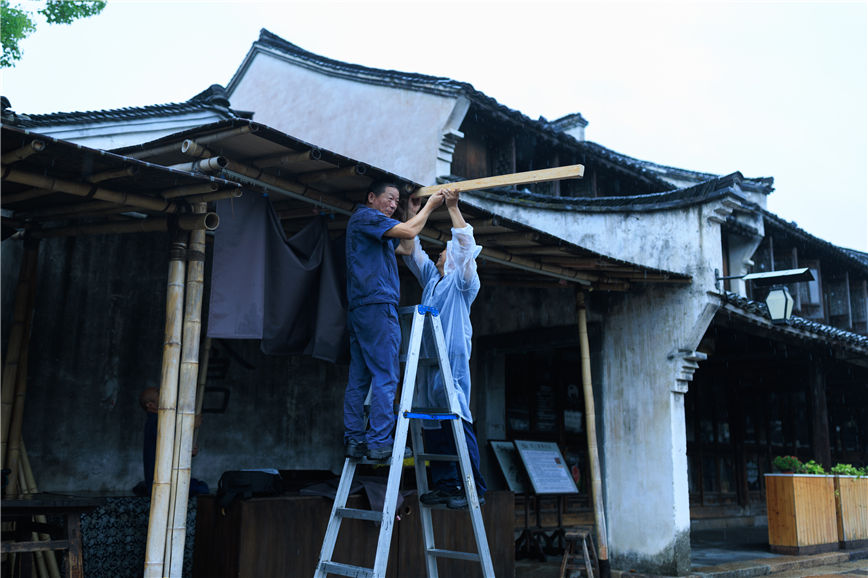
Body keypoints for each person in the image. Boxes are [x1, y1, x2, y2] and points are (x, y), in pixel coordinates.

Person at [343, 180, 445, 462]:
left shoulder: (374, 230)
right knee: (386, 376)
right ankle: (379, 443)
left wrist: (412, 213)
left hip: (363, 308)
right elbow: (410, 232)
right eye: (389, 199)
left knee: (360, 377)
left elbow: (408, 248)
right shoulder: (367, 217)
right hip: (376, 306)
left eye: (396, 201)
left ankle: (354, 439)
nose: (392, 205)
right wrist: (431, 206)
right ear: (371, 196)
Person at [401, 189, 487, 509]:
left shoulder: (463, 282)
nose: (441, 253)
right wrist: (414, 210)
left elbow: (465, 246)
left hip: (451, 364)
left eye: (445, 250)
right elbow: (413, 252)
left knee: (457, 419)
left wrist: (452, 207)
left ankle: (473, 486)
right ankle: (446, 483)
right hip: (429, 366)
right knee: (434, 423)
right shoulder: (431, 282)